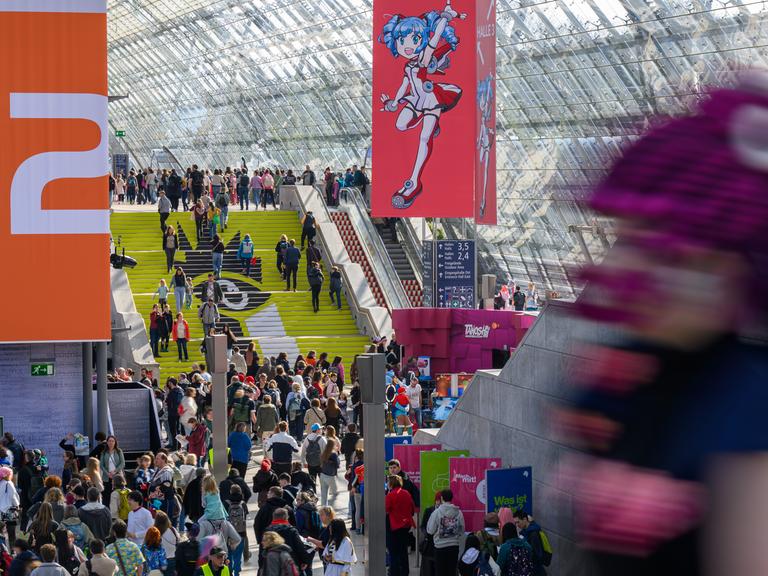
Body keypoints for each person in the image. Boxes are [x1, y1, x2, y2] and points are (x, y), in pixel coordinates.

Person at [426, 489, 464, 576]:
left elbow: (430, 530)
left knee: (440, 572)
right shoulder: (458, 513)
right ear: (452, 498)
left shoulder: (436, 513)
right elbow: (462, 530)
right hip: (454, 546)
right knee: (452, 571)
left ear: (442, 498)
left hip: (440, 547)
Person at [385, 475, 414, 576]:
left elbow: (386, 509)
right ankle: (405, 571)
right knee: (403, 551)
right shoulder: (406, 493)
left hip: (393, 526)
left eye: (388, 482)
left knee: (393, 552)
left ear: (391, 483)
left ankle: (394, 572)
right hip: (405, 526)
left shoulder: (390, 495)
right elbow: (412, 508)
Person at [222, 485, 248, 575]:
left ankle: (229, 572)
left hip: (229, 534)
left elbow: (223, 518)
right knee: (238, 555)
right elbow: (245, 518)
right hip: (241, 533)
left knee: (229, 555)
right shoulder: (243, 503)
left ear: (230, 492)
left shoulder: (226, 503)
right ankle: (237, 572)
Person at [513, 511, 547, 576]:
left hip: (535, 569)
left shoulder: (533, 534)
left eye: (518, 522)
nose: (517, 525)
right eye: (515, 523)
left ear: (525, 519)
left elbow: (536, 554)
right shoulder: (526, 531)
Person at [100, 436, 125, 503]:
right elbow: (101, 465)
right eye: (109, 441)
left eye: (112, 441)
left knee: (118, 494)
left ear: (115, 442)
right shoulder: (103, 452)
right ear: (107, 442)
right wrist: (107, 473)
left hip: (117, 476)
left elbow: (122, 463)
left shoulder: (119, 451)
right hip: (107, 477)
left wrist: (115, 471)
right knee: (107, 495)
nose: (111, 442)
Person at [0, 467, 19, 544]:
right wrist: (17, 505)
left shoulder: (1, 483)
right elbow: (13, 496)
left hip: (1, 511)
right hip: (9, 510)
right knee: (11, 533)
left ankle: (3, 551)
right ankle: (13, 551)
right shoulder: (9, 483)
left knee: (1, 533)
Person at [318, 439, 339, 507]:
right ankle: (330, 510)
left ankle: (324, 508)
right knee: (335, 493)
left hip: (322, 474)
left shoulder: (324, 453)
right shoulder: (333, 454)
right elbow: (337, 465)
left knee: (324, 495)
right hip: (330, 476)